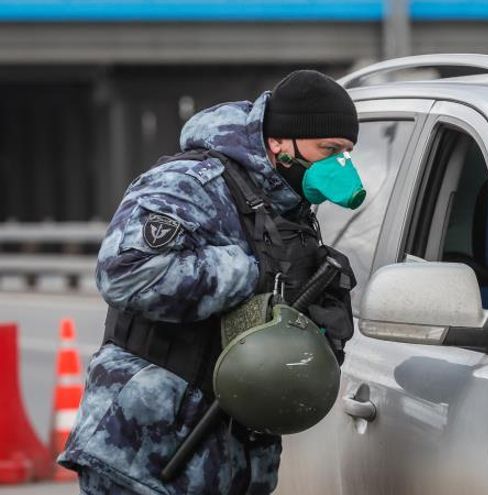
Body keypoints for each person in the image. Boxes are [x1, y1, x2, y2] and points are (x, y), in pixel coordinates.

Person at [58, 70, 362, 494]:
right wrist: (252, 273)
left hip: (227, 464)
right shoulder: (191, 183)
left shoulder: (286, 208)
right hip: (143, 453)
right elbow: (124, 272)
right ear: (279, 142)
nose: (340, 164)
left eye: (347, 151)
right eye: (328, 149)